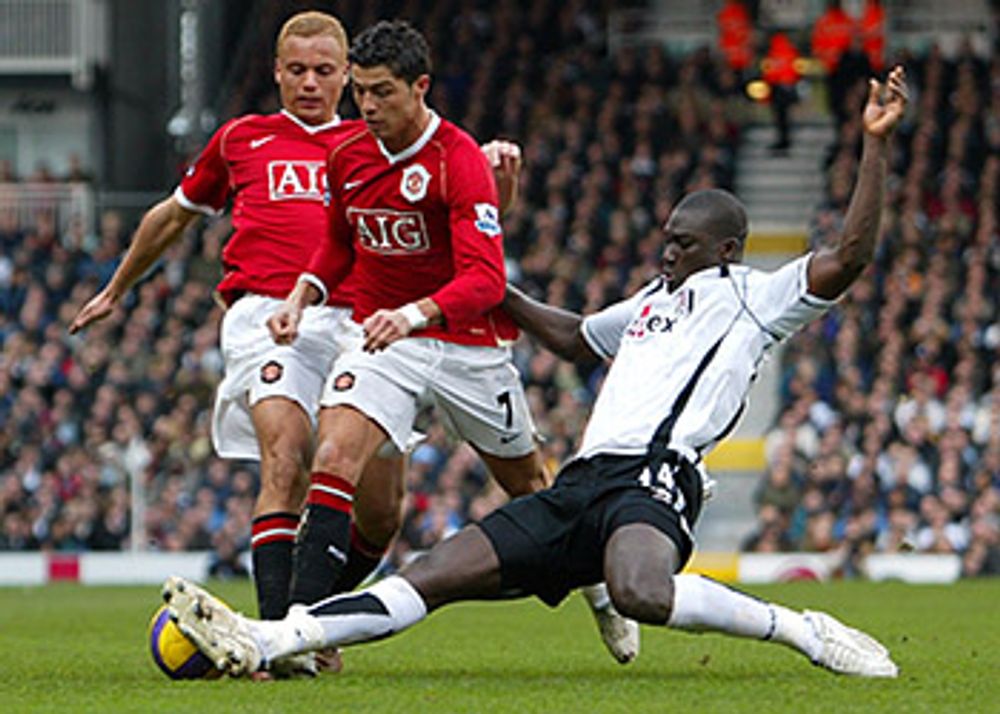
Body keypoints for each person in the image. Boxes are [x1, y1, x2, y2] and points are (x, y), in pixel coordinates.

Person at [163, 66, 909, 680]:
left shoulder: (756, 297)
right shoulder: (651, 302)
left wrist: (874, 147)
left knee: (641, 590)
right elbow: (576, 338)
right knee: (430, 573)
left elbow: (849, 256)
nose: (667, 255)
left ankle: (803, 629)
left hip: (654, 478)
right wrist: (482, 277)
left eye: (682, 245)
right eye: (665, 242)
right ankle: (267, 640)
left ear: (726, 250)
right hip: (581, 483)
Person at [264, 19, 638, 663]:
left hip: (465, 345)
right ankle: (297, 631)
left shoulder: (457, 159)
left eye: (383, 92)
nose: (369, 106)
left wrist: (412, 314)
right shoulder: (347, 154)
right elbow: (336, 244)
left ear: (421, 87)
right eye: (360, 93)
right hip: (383, 340)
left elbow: (486, 280)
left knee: (530, 487)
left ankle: (600, 593)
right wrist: (302, 295)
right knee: (333, 458)